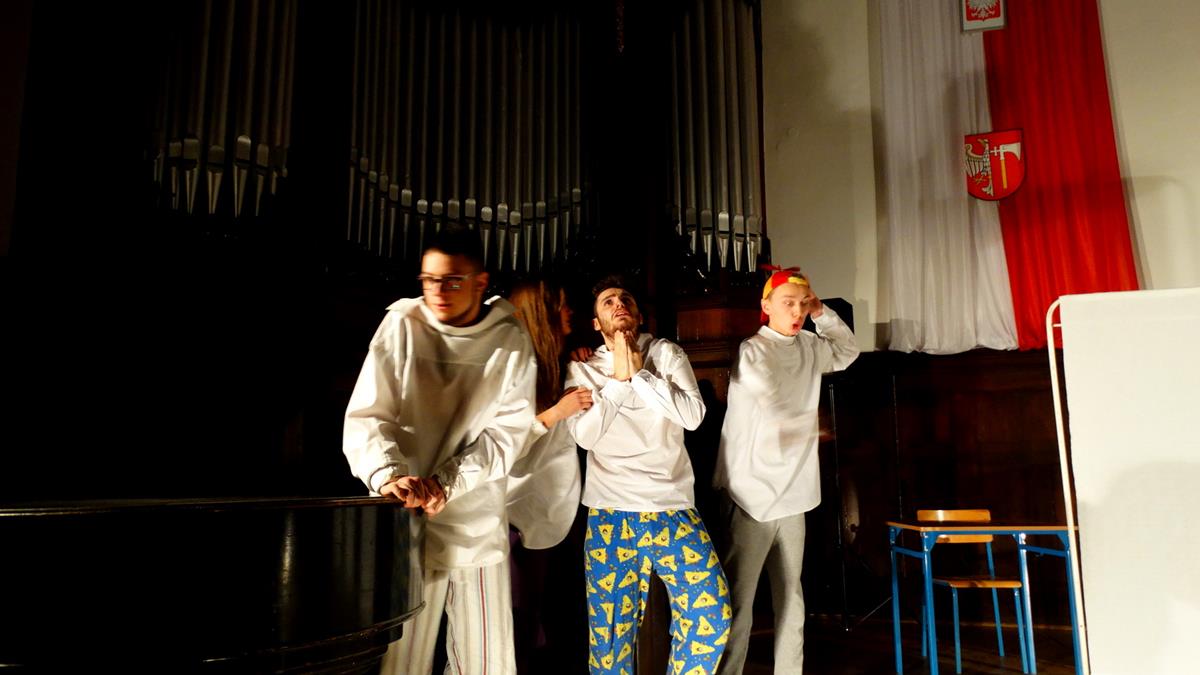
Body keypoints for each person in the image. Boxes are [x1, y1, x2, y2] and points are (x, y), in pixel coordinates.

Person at [342, 224, 537, 675]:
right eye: (429, 280)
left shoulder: (509, 338)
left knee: (487, 663)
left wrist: (448, 483)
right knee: (400, 662)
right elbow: (368, 414)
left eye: (452, 281)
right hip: (404, 515)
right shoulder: (402, 324)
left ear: (480, 282)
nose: (438, 292)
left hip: (475, 518)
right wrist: (389, 475)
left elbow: (507, 435)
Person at [565, 275, 732, 675]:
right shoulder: (582, 369)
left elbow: (693, 416)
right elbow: (585, 437)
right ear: (596, 323)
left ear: (639, 315)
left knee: (711, 615)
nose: (619, 304)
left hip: (671, 507)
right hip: (610, 514)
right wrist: (620, 381)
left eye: (626, 299)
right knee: (610, 642)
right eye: (608, 301)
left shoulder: (666, 353)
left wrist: (640, 375)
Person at [713, 267, 860, 675]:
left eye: (802, 304)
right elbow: (769, 397)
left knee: (792, 598)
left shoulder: (811, 345)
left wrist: (822, 312)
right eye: (788, 303)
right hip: (751, 494)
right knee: (739, 600)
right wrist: (804, 426)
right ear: (767, 305)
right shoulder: (752, 350)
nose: (796, 312)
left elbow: (848, 351)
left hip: (794, 494)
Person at [505, 280, 592, 670]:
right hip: (519, 511)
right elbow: (507, 446)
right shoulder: (517, 366)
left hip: (556, 507)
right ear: (543, 313)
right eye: (562, 305)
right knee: (520, 620)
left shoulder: (555, 363)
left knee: (550, 619)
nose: (570, 311)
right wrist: (558, 411)